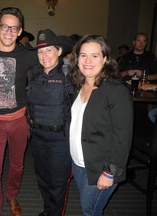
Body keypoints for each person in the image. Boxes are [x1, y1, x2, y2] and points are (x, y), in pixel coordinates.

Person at [0, 7, 38, 216]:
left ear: (20, 31)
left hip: (20, 120)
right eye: (5, 27)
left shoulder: (28, 55)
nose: (9, 32)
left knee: (17, 166)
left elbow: (52, 60)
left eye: (14, 28)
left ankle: (12, 196)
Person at [69, 34, 133, 216]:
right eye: (83, 55)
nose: (88, 61)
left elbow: (123, 137)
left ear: (105, 59)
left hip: (101, 168)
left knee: (90, 210)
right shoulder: (79, 85)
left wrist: (109, 172)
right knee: (89, 207)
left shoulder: (115, 90)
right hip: (80, 163)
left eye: (95, 55)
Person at [26, 29, 75, 216]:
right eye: (40, 51)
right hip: (37, 138)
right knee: (43, 180)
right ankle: (48, 211)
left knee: (57, 183)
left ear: (59, 51)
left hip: (60, 141)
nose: (44, 55)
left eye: (48, 50)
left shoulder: (70, 74)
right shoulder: (32, 73)